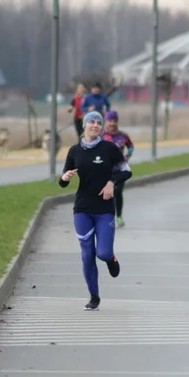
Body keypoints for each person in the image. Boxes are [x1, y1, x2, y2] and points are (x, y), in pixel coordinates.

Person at [59, 110, 132, 310]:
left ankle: (111, 258)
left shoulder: (109, 148)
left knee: (103, 253)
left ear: (102, 127)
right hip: (82, 208)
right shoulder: (75, 151)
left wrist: (111, 182)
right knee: (87, 254)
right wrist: (64, 178)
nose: (95, 125)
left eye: (98, 123)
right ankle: (94, 297)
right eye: (91, 122)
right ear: (84, 126)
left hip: (104, 209)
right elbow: (63, 180)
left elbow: (126, 171)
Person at [102, 110, 135, 228]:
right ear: (106, 121)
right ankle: (106, 216)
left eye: (114, 121)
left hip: (120, 169)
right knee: (104, 192)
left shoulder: (123, 136)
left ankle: (119, 215)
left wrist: (127, 156)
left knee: (117, 191)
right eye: (110, 121)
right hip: (104, 169)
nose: (112, 123)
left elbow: (131, 146)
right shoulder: (101, 136)